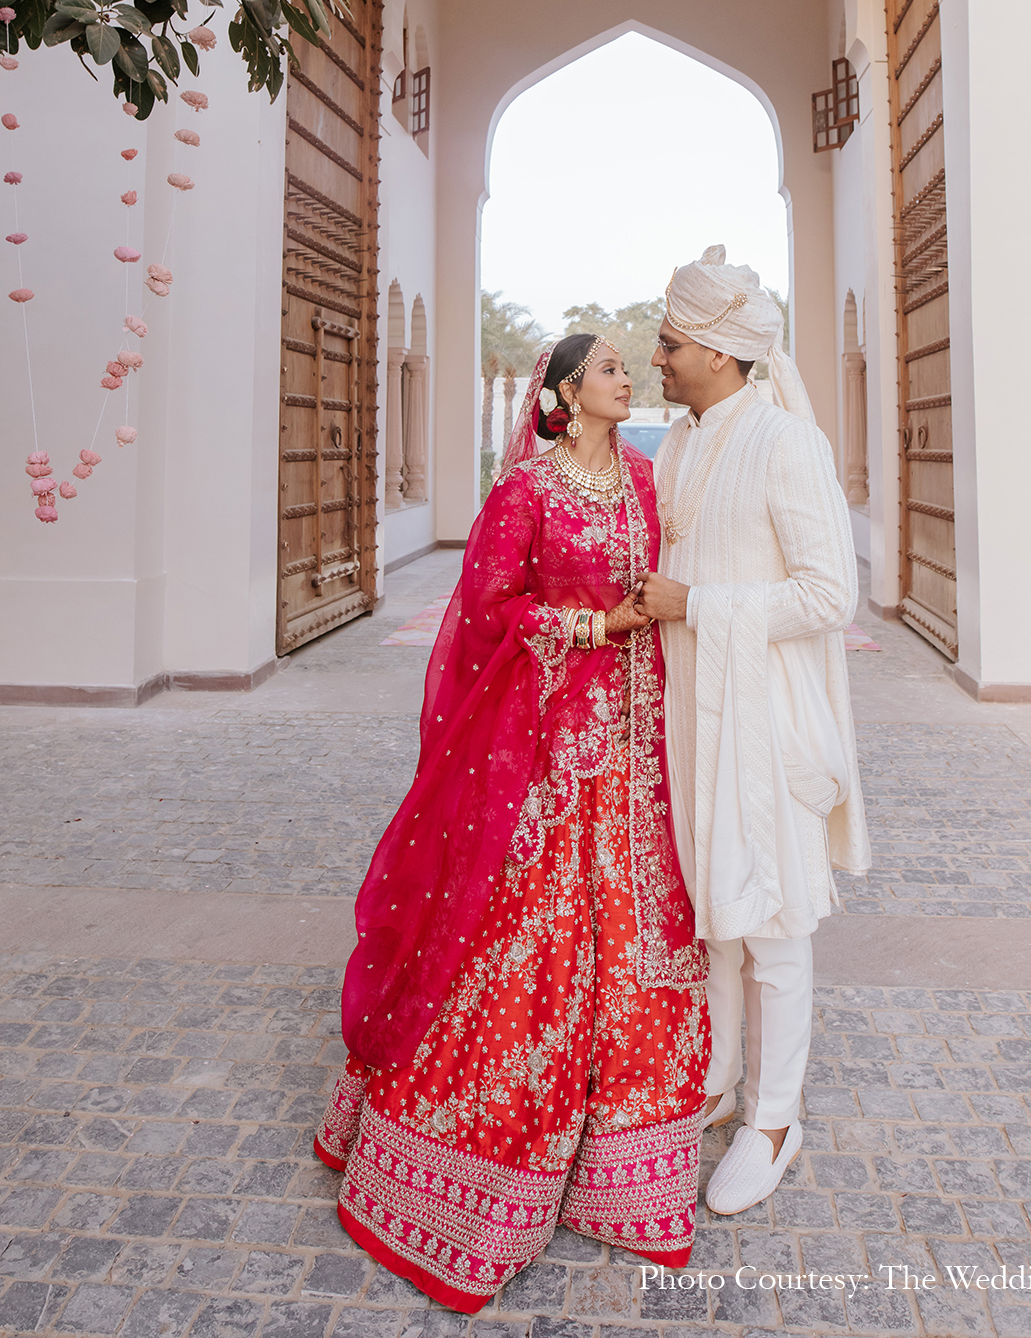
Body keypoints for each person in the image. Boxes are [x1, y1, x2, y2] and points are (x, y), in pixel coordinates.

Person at [315, 335, 710, 1310]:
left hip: (634, 754)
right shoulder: (527, 489)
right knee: (524, 945)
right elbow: (490, 607)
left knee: (627, 946)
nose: (628, 378)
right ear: (568, 392)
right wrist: (591, 625)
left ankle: (619, 1177)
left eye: (630, 365)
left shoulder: (652, 482)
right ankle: (481, 1174)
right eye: (611, 368)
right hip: (542, 754)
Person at [637, 246, 871, 1216]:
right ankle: (717, 1082)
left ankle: (774, 1116)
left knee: (772, 918)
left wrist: (697, 603)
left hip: (765, 713)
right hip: (694, 708)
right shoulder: (684, 440)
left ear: (722, 353)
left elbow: (828, 593)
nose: (655, 355)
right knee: (715, 914)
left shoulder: (784, 443)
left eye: (669, 340)